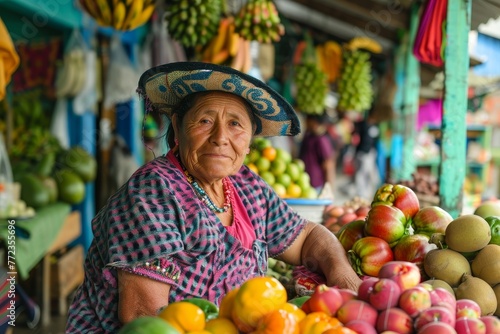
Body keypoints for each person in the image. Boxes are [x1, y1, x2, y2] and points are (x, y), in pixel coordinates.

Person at [66, 62, 362, 332]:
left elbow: (309, 236)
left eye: (235, 124)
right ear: (179, 131)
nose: (221, 137)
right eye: (205, 121)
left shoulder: (247, 186)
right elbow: (145, 319)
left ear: (248, 144)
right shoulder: (152, 194)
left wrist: (347, 282)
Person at [299, 113, 335, 194]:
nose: (305, 122)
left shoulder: (321, 140)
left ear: (314, 122)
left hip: (315, 185)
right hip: (304, 183)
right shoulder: (308, 136)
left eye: (307, 120)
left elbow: (328, 165)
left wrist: (329, 189)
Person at [353, 109, 381, 198]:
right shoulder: (362, 125)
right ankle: (361, 194)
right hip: (362, 153)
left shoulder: (375, 126)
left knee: (371, 174)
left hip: (370, 153)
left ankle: (368, 193)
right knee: (361, 174)